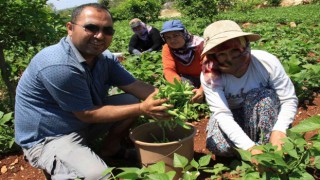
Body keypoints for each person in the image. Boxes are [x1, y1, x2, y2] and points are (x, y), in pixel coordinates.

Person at [14, 3, 170, 180]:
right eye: (91, 28)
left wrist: (170, 98)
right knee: (99, 176)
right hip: (50, 136)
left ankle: (111, 148)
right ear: (70, 28)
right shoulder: (58, 64)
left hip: (80, 121)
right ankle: (60, 164)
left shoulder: (104, 59)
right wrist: (143, 108)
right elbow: (87, 113)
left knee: (131, 99)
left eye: (107, 30)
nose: (100, 35)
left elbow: (134, 85)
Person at [200, 20, 298, 157]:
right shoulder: (211, 76)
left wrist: (279, 130)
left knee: (264, 98)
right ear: (213, 56)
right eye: (222, 54)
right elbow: (222, 114)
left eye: (235, 50)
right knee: (218, 145)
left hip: (262, 113)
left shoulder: (266, 62)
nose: (230, 58)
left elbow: (288, 99)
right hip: (232, 114)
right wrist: (249, 147)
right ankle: (252, 150)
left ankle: (268, 149)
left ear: (245, 45)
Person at [160, 20, 204, 103]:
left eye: (176, 35)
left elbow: (210, 70)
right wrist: (181, 88)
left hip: (207, 77)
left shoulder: (199, 45)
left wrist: (202, 89)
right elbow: (169, 69)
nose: (172, 40)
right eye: (168, 37)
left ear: (184, 34)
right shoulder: (167, 48)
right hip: (187, 78)